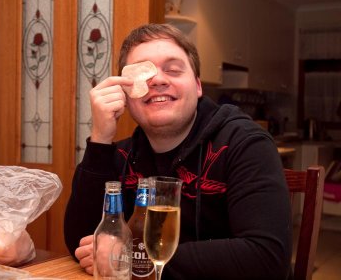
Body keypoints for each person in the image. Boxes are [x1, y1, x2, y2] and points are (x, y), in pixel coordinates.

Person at [64, 23, 292, 279]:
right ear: (126, 95)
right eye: (143, 75)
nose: (159, 80)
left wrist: (132, 258)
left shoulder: (244, 144)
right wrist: (100, 139)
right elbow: (82, 242)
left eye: (173, 70)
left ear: (197, 86)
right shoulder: (122, 155)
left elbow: (267, 259)